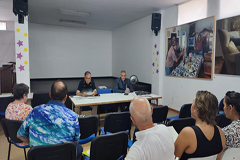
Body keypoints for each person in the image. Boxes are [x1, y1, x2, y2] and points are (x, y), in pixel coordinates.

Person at [17, 80, 83, 160]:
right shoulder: (73, 116)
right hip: (63, 156)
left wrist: (35, 142)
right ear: (65, 97)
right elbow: (76, 142)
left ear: (50, 94)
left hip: (39, 156)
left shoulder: (35, 111)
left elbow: (20, 135)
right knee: (79, 148)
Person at [174, 91, 226, 160]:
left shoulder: (187, 132)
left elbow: (173, 157)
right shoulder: (220, 132)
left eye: (193, 102)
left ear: (197, 109)